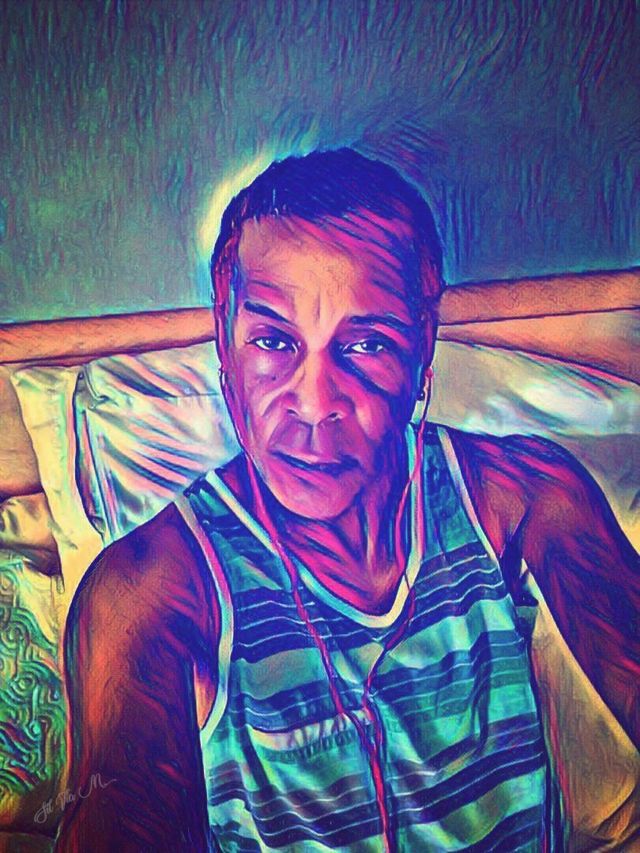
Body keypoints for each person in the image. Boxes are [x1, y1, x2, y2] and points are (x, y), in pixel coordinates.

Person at [55, 149, 638, 852]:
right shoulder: (148, 591)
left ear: (423, 350)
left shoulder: (520, 496)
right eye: (273, 341)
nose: (314, 404)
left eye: (365, 345)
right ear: (224, 346)